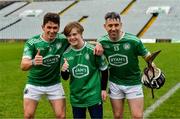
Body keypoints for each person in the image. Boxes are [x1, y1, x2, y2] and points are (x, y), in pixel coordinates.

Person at [20, 12, 103, 119]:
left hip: (54, 84)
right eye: (48, 27)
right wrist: (33, 62)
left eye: (55, 28)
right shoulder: (32, 42)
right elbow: (23, 65)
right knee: (28, 115)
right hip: (35, 83)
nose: (52, 31)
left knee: (61, 116)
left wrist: (98, 43)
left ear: (58, 28)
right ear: (42, 27)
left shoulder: (63, 39)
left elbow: (80, 40)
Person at [97, 12, 153, 119]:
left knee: (137, 116)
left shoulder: (133, 41)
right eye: (110, 25)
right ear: (105, 27)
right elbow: (95, 46)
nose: (113, 28)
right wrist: (98, 43)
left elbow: (147, 56)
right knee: (117, 116)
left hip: (133, 83)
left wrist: (153, 67)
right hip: (115, 83)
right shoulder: (102, 41)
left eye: (116, 25)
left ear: (121, 25)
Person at [61, 21, 109, 119]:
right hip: (77, 97)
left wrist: (103, 89)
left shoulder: (93, 50)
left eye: (74, 34)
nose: (72, 37)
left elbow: (104, 69)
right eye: (69, 35)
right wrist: (63, 71)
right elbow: (65, 78)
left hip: (94, 95)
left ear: (81, 34)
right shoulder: (66, 55)